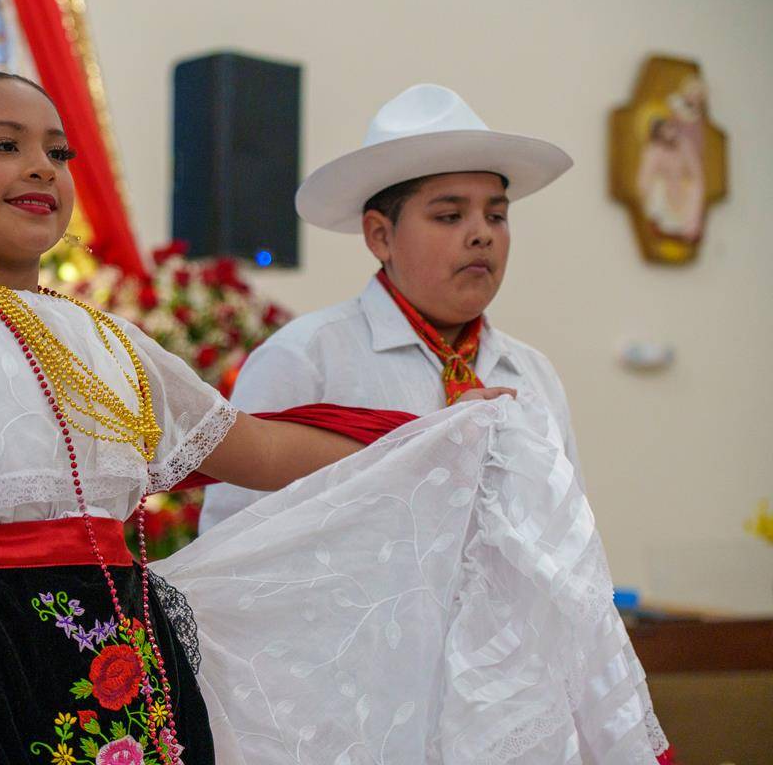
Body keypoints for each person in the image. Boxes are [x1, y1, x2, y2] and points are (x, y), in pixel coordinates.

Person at [0, 73, 671, 764]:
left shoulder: (111, 343)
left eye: (57, 150)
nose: (42, 167)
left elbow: (255, 444)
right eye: (4, 146)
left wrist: (448, 435)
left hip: (131, 652)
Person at [202, 83, 583, 532]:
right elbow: (231, 543)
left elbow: (566, 535)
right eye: (449, 216)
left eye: (496, 215)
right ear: (380, 236)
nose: (482, 234)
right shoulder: (307, 359)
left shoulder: (532, 374)